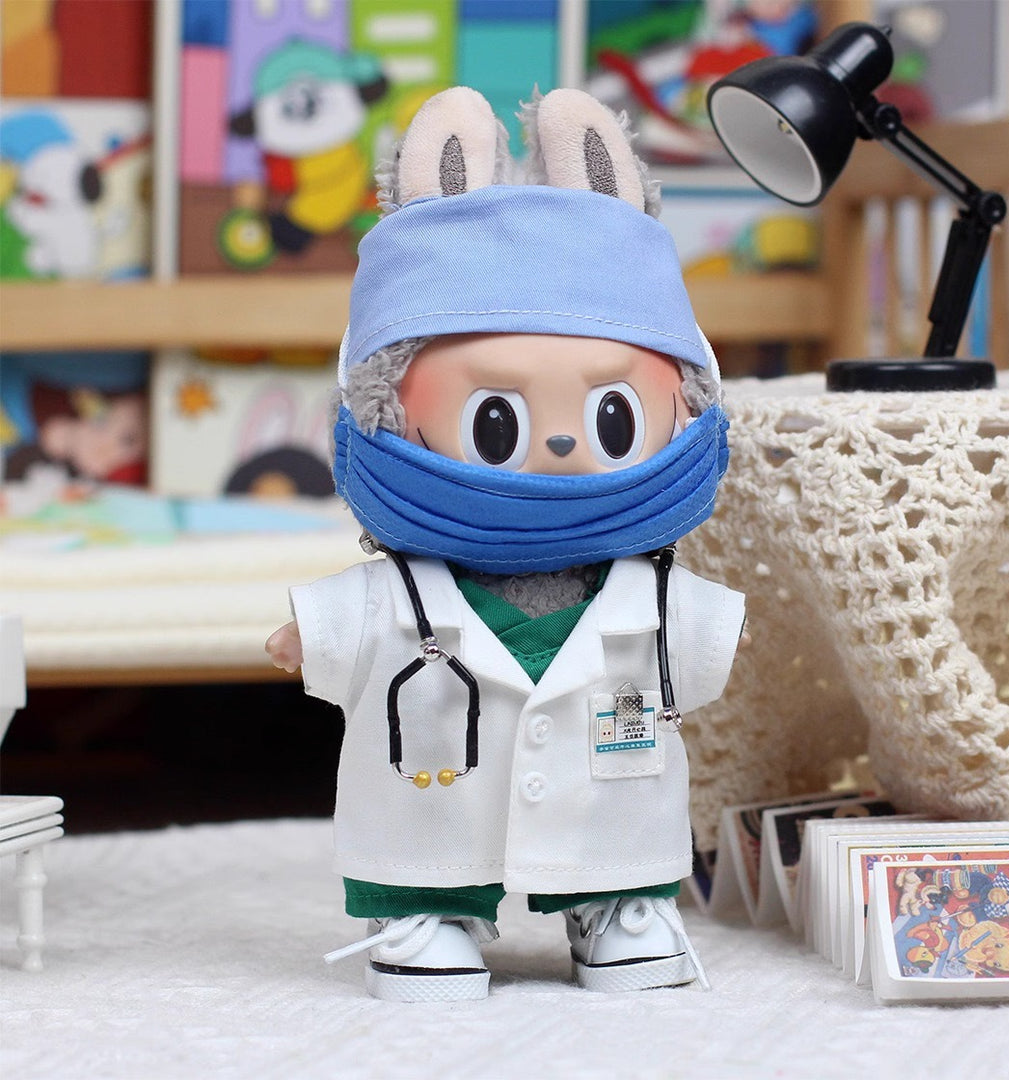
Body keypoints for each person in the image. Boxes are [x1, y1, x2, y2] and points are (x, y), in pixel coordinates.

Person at [266, 86, 744, 1002]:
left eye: (611, 416)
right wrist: (309, 633)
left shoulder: (649, 591)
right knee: (429, 831)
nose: (560, 443)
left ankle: (617, 903)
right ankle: (425, 910)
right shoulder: (403, 590)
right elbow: (351, 614)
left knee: (616, 821)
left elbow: (700, 632)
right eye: (496, 420)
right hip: (428, 802)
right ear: (381, 405)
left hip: (615, 797)